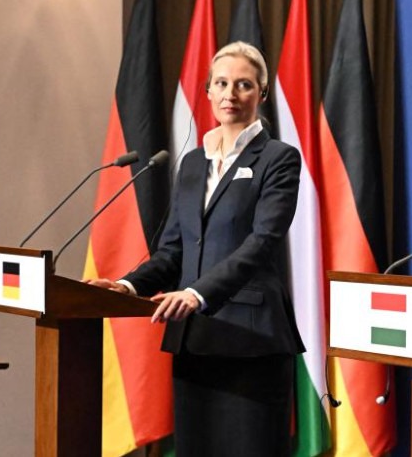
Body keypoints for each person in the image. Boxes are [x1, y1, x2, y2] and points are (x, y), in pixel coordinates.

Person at [87, 41, 303, 455]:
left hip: (251, 341)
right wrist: (126, 287)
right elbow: (173, 251)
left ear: (261, 93)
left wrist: (197, 293)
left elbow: (262, 242)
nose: (230, 93)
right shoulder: (192, 163)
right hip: (195, 339)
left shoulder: (278, 158)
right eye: (221, 83)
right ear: (207, 91)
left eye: (243, 84)